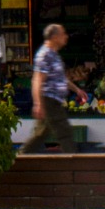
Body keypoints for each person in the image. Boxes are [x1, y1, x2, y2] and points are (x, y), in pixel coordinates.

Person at [22, 24, 88, 153]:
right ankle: (73, 160)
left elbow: (61, 78)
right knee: (64, 131)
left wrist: (77, 90)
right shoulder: (45, 54)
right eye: (63, 34)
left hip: (54, 100)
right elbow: (37, 79)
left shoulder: (54, 55)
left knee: (40, 134)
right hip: (48, 100)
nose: (66, 37)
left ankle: (21, 157)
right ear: (54, 37)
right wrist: (38, 103)